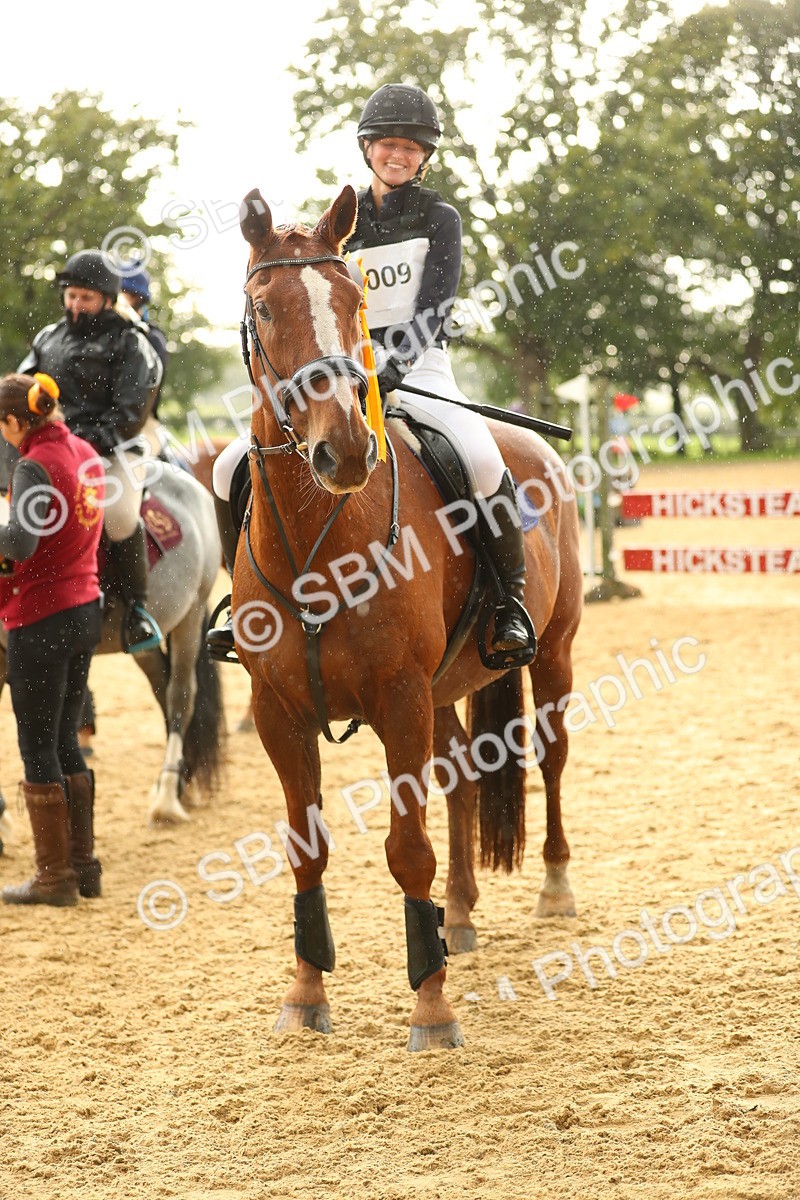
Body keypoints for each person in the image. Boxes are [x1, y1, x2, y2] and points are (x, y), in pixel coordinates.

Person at [207, 83, 535, 662]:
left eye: (411, 147)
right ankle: (242, 600)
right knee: (233, 463)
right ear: (368, 149)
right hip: (338, 371)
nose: (398, 155)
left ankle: (509, 604)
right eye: (388, 144)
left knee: (483, 460)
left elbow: (434, 308)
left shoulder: (440, 217)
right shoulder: (342, 220)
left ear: (424, 156)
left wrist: (385, 371)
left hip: (419, 368)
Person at [19, 249, 162, 653]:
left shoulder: (133, 343)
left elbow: (129, 413)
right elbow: (24, 387)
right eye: (71, 296)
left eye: (86, 298)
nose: (76, 305)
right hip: (54, 444)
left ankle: (137, 609)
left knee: (117, 516)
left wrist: (80, 444)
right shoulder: (48, 337)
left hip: (115, 448)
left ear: (108, 299)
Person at [0, 373, 105, 906]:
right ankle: (83, 866)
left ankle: (54, 879)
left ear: (16, 421)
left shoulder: (32, 463)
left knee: (36, 745)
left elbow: (19, 542)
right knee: (66, 738)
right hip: (85, 607)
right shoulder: (83, 448)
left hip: (42, 618)